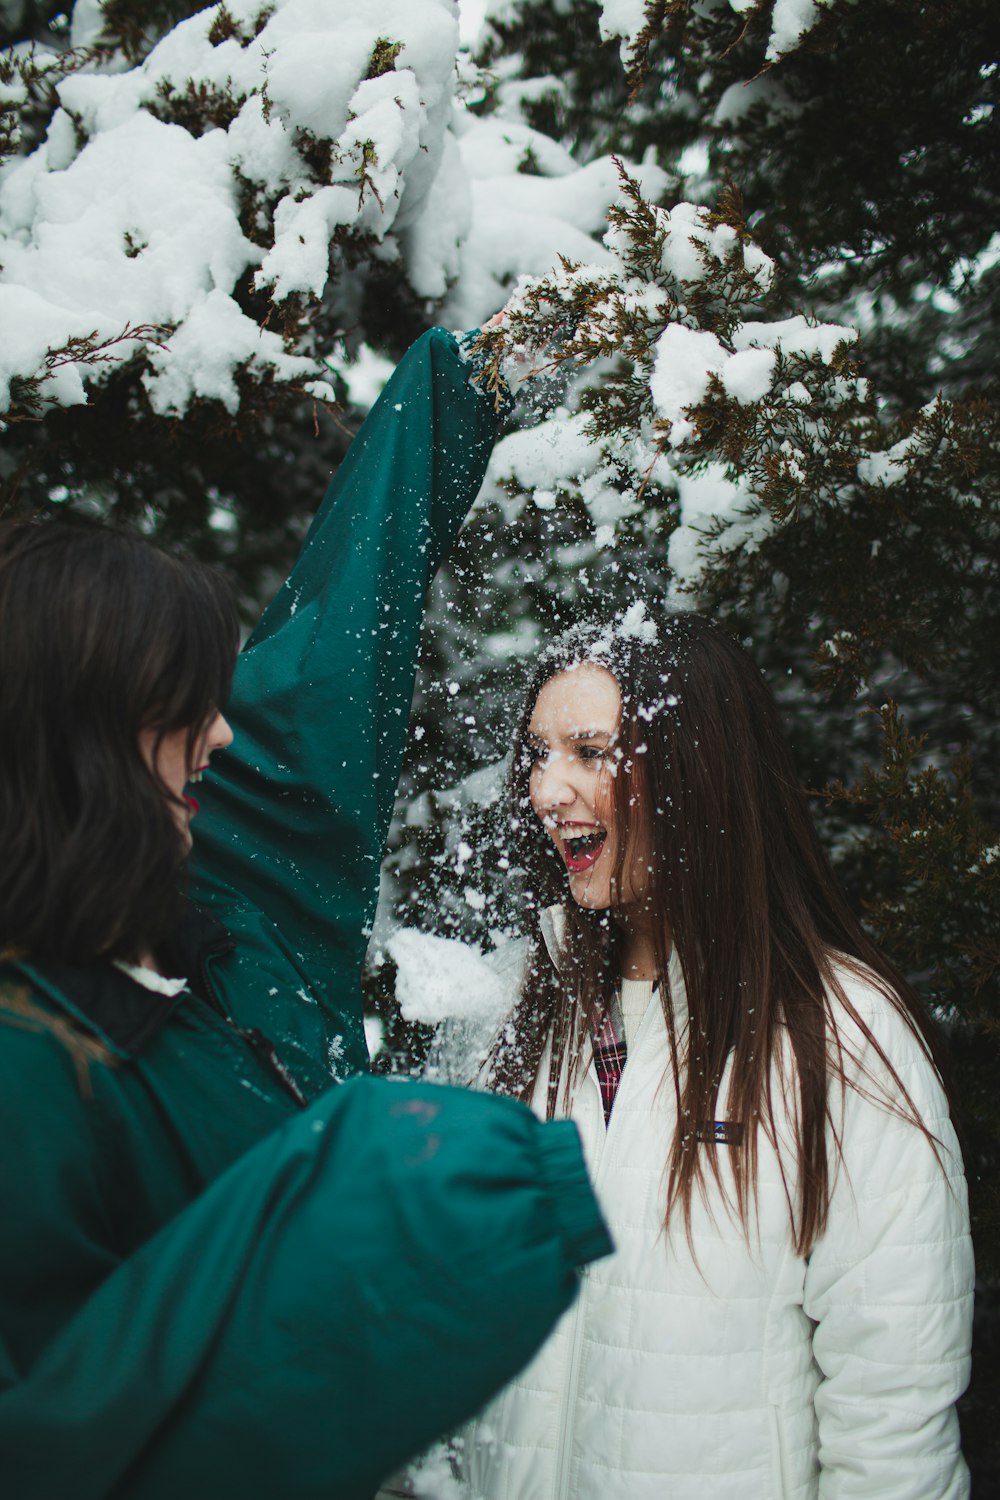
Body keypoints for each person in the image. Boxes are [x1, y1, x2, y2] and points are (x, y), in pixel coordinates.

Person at [0, 328, 612, 1500]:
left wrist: (457, 386)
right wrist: (386, 1203)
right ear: (77, 741)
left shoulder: (228, 898)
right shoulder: (28, 1074)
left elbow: (336, 649)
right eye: (184, 706)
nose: (222, 735)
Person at [443, 604, 974, 1500]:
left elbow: (892, 1406)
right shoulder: (532, 1011)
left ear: (696, 773)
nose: (544, 790)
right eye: (538, 753)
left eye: (589, 751)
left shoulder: (840, 1032)